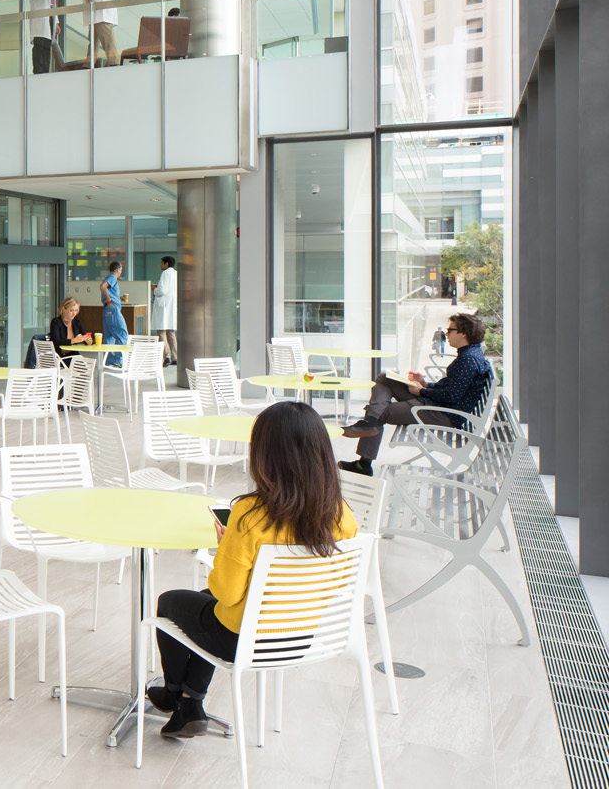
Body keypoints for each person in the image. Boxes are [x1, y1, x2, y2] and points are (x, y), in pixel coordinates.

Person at [150, 401, 358, 738]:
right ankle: (190, 703)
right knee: (205, 604)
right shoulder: (341, 513)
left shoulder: (249, 516)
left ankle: (173, 693)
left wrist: (225, 548)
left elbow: (225, 592)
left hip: (245, 639)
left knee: (172, 601)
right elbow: (332, 581)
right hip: (299, 635)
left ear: (265, 456)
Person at [337, 313, 492, 476]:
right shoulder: (471, 354)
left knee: (380, 413)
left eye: (450, 330)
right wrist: (425, 384)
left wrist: (422, 391)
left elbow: (451, 396)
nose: (446, 334)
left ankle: (364, 461)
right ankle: (370, 422)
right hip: (440, 406)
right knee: (385, 378)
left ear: (463, 333)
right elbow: (452, 388)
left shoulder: (468, 359)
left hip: (442, 413)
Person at [28, 0, 59, 74]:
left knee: (46, 49)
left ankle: (45, 72)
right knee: (39, 48)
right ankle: (38, 73)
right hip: (40, 20)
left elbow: (53, 4)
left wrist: (56, 22)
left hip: (49, 19)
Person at [101, 260, 129, 367]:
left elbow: (107, 289)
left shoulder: (110, 278)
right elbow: (102, 286)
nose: (121, 271)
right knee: (122, 334)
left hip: (107, 310)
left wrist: (118, 298)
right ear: (117, 269)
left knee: (109, 337)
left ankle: (107, 360)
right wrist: (109, 300)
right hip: (113, 310)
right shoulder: (112, 278)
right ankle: (117, 359)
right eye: (121, 269)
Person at [152, 256, 178, 366]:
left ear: (166, 264)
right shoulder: (175, 273)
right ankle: (175, 357)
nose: (160, 265)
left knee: (161, 332)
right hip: (171, 305)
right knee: (171, 332)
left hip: (164, 306)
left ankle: (166, 356)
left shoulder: (165, 273)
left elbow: (162, 290)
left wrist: (154, 288)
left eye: (161, 263)